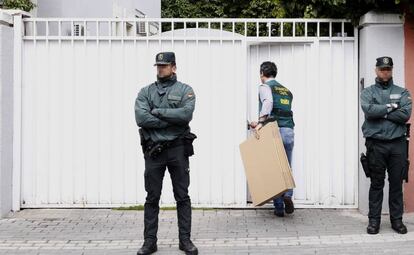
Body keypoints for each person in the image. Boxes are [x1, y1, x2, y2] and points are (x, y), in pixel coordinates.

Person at [135, 52, 198, 254]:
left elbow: (186, 114)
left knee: (182, 196)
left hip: (178, 150)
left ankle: (185, 240)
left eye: (164, 65)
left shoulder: (185, 90)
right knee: (152, 197)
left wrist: (159, 112)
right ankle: (150, 241)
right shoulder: (146, 92)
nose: (160, 68)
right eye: (158, 65)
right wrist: (171, 121)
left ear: (174, 67)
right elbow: (141, 118)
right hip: (154, 152)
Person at [360, 56, 412, 235]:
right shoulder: (368, 92)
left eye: (388, 69)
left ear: (392, 70)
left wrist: (380, 112)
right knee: (376, 184)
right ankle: (374, 221)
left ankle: (396, 220)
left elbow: (404, 115)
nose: (385, 72)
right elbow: (368, 110)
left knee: (396, 183)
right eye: (382, 69)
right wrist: (392, 107)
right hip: (376, 145)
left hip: (397, 145)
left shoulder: (403, 92)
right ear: (376, 70)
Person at [250, 61, 295, 217]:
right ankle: (288, 194)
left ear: (262, 73)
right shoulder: (286, 91)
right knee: (286, 166)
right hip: (288, 130)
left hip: (274, 131)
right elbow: (281, 110)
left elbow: (268, 103)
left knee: (274, 170)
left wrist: (261, 122)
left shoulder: (264, 87)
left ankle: (279, 208)